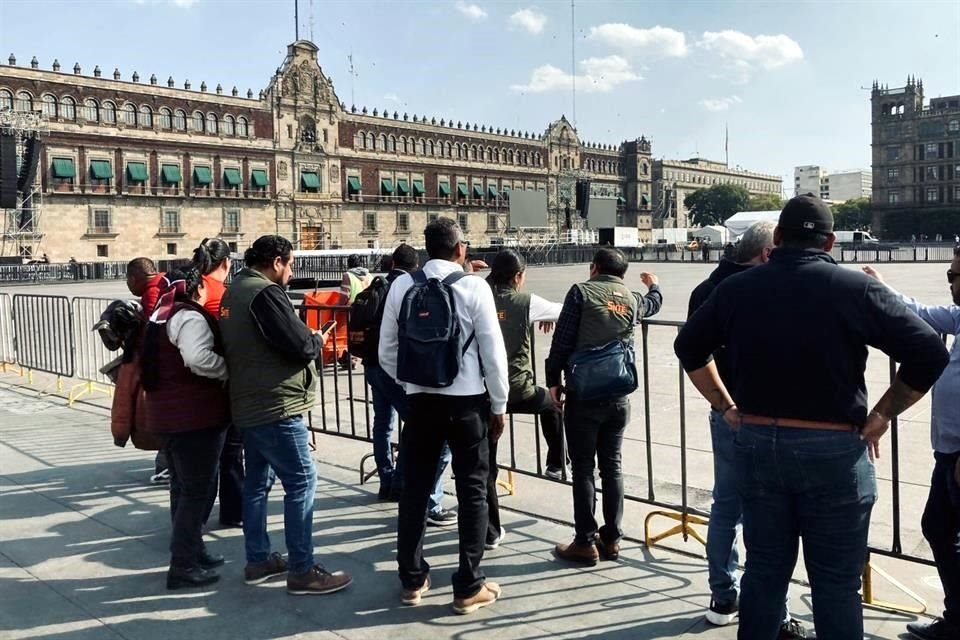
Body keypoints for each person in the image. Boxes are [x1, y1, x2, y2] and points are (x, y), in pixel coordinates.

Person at [674, 195, 949, 640]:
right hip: (833, 449)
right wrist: (883, 413)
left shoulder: (738, 288)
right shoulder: (854, 288)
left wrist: (725, 407)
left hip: (758, 445)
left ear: (779, 237)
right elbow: (930, 352)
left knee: (764, 572)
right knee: (836, 585)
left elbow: (689, 347)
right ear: (830, 242)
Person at [379, 217, 509, 614]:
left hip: (420, 403)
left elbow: (387, 350)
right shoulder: (475, 286)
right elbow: (493, 352)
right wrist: (499, 405)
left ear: (426, 248)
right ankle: (468, 585)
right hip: (467, 402)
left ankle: (412, 579)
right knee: (472, 489)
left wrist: (412, 385)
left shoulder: (403, 285)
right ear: (460, 249)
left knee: (415, 489)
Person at [686, 221, 805, 639]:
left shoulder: (705, 289)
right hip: (762, 414)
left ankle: (723, 595)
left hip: (725, 411)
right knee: (770, 516)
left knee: (726, 504)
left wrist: (722, 403)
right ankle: (776, 612)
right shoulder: (764, 290)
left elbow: (693, 350)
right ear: (767, 253)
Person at [219, 235, 351, 595]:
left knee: (257, 484)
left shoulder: (234, 290)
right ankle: (302, 570)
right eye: (290, 263)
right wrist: (317, 339)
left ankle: (258, 560)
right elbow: (300, 344)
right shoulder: (265, 293)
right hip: (276, 404)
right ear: (276, 262)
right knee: (302, 481)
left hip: (248, 402)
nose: (292, 271)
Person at [863, 258, 960, 640]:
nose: (949, 281)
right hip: (949, 453)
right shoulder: (959, 316)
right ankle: (956, 620)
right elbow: (919, 311)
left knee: (940, 527)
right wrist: (881, 287)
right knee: (937, 527)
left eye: (954, 275)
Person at [546, 248, 662, 565]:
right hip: (618, 394)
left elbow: (562, 341)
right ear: (623, 274)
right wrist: (654, 286)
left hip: (584, 395)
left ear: (594, 268)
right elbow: (653, 304)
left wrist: (553, 379)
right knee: (612, 466)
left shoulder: (580, 292)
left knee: (584, 467)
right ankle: (611, 540)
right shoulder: (632, 299)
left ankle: (585, 541)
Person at [139, 267, 230, 589]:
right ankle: (183, 565)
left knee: (182, 488)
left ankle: (192, 550)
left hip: (168, 416)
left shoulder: (161, 315)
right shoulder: (189, 316)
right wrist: (227, 370)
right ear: (198, 287)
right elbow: (197, 358)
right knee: (196, 492)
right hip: (194, 417)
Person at [364, 243, 456, 528]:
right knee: (418, 430)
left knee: (382, 425)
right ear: (416, 265)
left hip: (372, 366)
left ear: (393, 263)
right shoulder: (408, 288)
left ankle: (387, 481)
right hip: (396, 371)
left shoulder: (379, 285)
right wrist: (403, 378)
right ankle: (413, 492)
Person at [486, 249, 564, 549]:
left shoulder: (478, 294)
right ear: (518, 276)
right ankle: (556, 462)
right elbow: (564, 309)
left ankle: (490, 532)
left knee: (485, 467)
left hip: (482, 393)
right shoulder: (526, 302)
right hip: (517, 389)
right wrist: (544, 317)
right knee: (552, 404)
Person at [192, 239, 244, 529]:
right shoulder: (222, 293)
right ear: (227, 263)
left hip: (194, 383)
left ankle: (195, 519)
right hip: (219, 381)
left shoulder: (195, 286)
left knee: (207, 456)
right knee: (230, 452)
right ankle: (232, 511)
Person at [126, 257, 170, 484]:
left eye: (127, 280)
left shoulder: (152, 293)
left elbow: (153, 332)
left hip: (162, 367)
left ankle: (167, 466)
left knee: (164, 417)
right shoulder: (163, 283)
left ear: (134, 278)